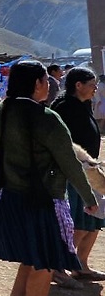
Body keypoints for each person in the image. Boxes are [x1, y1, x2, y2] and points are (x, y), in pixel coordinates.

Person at [0, 60, 97, 296]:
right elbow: (69, 163)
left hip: (10, 195)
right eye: (46, 80)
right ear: (37, 84)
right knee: (44, 261)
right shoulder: (46, 118)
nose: (50, 85)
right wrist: (90, 198)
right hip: (42, 198)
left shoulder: (4, 108)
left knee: (32, 256)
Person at [51, 67, 103, 283]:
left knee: (95, 220)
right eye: (91, 85)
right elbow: (63, 143)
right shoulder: (64, 107)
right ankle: (59, 266)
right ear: (78, 85)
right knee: (78, 223)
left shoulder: (84, 105)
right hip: (73, 173)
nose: (95, 89)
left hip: (90, 170)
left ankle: (81, 265)